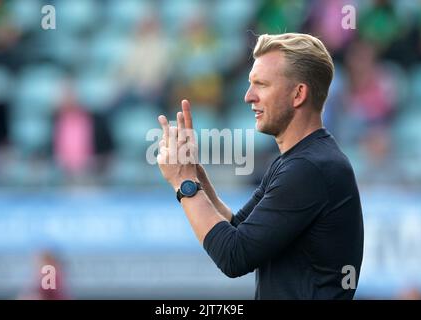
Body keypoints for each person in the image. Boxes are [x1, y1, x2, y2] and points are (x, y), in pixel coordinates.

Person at [156, 33, 364, 300]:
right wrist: (194, 172)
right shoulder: (296, 161)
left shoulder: (311, 168)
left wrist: (184, 184)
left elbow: (234, 256)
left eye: (261, 84)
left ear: (298, 94)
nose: (248, 96)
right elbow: (237, 226)